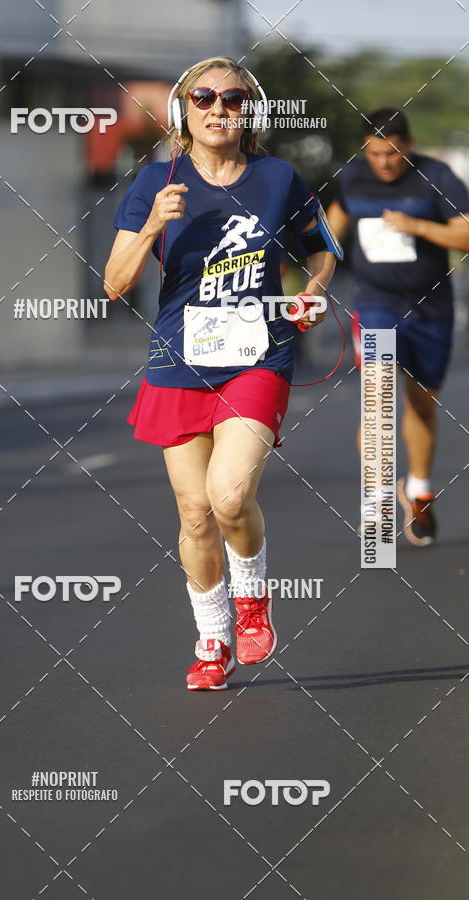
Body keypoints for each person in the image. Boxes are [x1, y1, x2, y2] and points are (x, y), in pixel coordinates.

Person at [104, 56, 337, 690]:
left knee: (229, 496)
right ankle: (213, 641)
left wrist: (313, 292)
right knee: (194, 513)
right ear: (183, 109)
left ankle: (252, 599)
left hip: (258, 356)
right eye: (203, 97)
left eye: (232, 99)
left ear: (248, 111)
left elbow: (323, 247)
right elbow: (114, 284)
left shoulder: (277, 177)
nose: (217, 108)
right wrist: (153, 223)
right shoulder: (154, 182)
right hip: (178, 361)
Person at [327, 109, 469, 546]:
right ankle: (377, 501)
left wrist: (418, 226)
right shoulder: (352, 178)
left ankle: (419, 490)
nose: (384, 163)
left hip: (431, 310)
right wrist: (313, 283)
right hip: (376, 306)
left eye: (391, 153)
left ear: (408, 144)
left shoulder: (437, 176)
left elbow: (465, 235)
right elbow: (329, 235)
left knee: (421, 405)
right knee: (378, 399)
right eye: (374, 153)